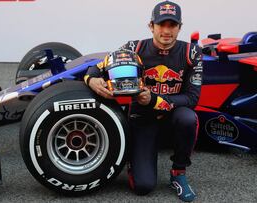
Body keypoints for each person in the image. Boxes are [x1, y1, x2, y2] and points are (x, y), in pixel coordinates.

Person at [83, 1, 203, 202]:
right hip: (142, 118)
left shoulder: (192, 53)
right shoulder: (134, 47)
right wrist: (91, 79)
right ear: (151, 26)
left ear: (180, 27)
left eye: (172, 25)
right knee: (143, 186)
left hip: (174, 114)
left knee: (188, 118)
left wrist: (154, 99)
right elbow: (98, 66)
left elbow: (192, 98)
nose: (166, 31)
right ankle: (136, 157)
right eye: (161, 24)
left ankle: (178, 173)